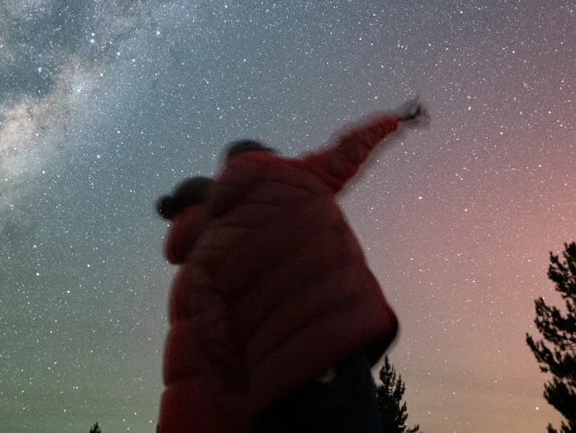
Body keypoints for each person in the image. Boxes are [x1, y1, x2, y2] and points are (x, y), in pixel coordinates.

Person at [157, 100, 428, 433]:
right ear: (266, 156)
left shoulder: (206, 251)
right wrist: (393, 121)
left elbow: (215, 344)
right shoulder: (299, 175)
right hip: (335, 356)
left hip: (273, 393)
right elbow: (350, 148)